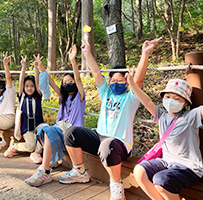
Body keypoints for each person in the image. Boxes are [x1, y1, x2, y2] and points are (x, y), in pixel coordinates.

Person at [58, 38, 162, 200]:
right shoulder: (106, 93)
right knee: (71, 132)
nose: (116, 83)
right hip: (99, 137)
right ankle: (79, 171)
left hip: (119, 143)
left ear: (127, 83)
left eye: (120, 80)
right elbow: (96, 73)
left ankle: (116, 184)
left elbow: (139, 79)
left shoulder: (131, 98)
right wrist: (87, 53)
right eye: (113, 80)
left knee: (108, 145)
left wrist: (145, 53)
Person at [127, 70, 203, 200]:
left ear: (185, 103)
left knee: (160, 181)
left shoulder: (190, 117)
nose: (171, 101)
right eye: (167, 97)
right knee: (139, 171)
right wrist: (132, 84)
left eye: (177, 98)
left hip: (188, 167)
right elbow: (147, 101)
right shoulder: (161, 115)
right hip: (166, 162)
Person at [24, 45, 85, 187]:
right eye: (64, 83)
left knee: (48, 130)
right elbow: (51, 82)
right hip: (60, 129)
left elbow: (79, 80)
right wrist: (41, 67)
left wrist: (73, 61)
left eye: (70, 82)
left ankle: (45, 170)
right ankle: (46, 168)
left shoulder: (80, 98)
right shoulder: (63, 98)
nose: (67, 84)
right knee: (45, 130)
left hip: (73, 131)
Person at [4, 54, 47, 160]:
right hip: (26, 126)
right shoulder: (22, 95)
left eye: (31, 86)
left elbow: (37, 82)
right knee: (30, 146)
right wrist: (23, 67)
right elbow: (21, 81)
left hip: (37, 123)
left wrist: (37, 68)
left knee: (46, 129)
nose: (29, 88)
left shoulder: (37, 95)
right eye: (27, 86)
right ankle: (15, 146)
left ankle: (37, 153)